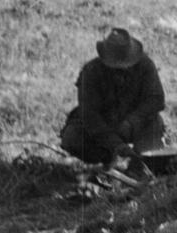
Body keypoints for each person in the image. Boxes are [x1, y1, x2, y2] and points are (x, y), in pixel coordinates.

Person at [60, 27, 166, 165]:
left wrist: (131, 122)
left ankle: (141, 165)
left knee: (154, 123)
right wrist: (115, 144)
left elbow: (156, 100)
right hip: (102, 127)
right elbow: (90, 116)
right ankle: (105, 159)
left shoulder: (145, 65)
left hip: (135, 123)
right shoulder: (91, 71)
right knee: (72, 137)